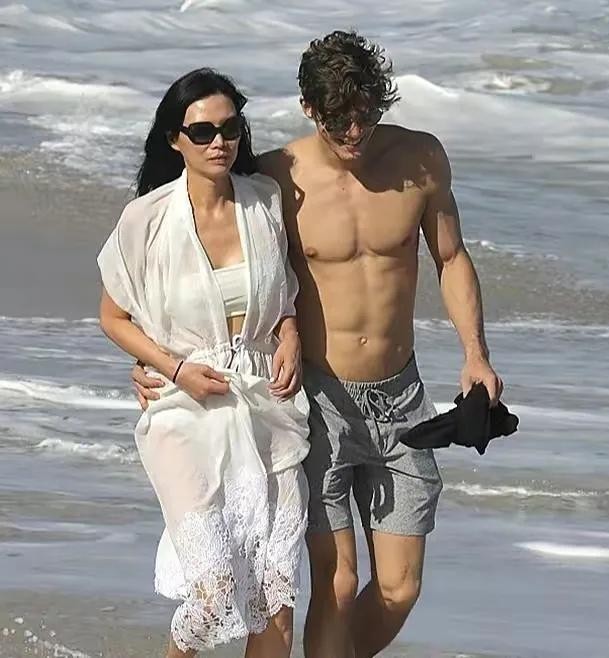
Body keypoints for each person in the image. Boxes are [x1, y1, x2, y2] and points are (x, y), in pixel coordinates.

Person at [135, 30, 504, 658]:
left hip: (402, 397)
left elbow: (451, 257)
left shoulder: (421, 160)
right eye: (338, 121)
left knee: (400, 587)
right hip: (316, 400)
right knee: (338, 582)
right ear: (309, 108)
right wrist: (154, 361)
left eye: (365, 115)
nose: (354, 132)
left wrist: (476, 354)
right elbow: (204, 272)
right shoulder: (276, 177)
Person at [97, 68, 310, 658]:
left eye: (230, 128)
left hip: (269, 403)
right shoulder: (145, 219)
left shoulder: (265, 201)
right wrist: (172, 369)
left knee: (275, 595)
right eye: (203, 131)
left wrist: (290, 333)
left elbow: (283, 293)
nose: (219, 142)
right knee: (214, 595)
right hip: (185, 410)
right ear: (175, 139)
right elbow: (113, 317)